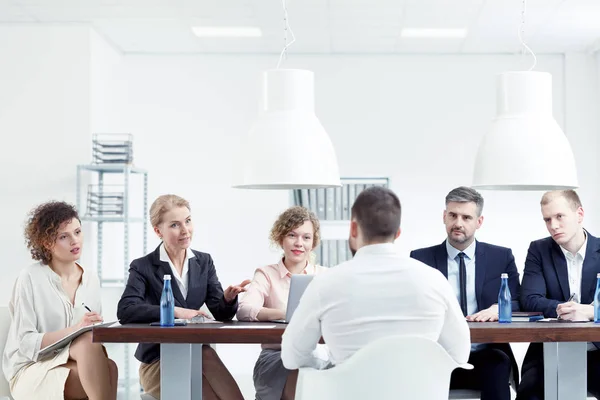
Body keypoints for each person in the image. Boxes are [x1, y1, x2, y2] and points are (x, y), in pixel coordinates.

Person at [280, 186, 470, 372]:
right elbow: (460, 354)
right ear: (398, 233)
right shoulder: (435, 281)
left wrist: (327, 357)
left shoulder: (324, 284)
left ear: (353, 228)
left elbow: (291, 357)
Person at [117, 194, 249, 400]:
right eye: (175, 225)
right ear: (158, 231)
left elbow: (220, 312)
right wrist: (176, 311)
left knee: (206, 354)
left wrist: (228, 298)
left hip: (196, 355)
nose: (185, 230)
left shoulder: (203, 262)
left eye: (187, 221)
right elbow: (126, 310)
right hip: (158, 360)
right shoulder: (143, 266)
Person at [410, 186, 520, 400]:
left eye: (466, 217)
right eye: (453, 215)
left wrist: (500, 308)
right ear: (444, 216)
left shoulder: (501, 257)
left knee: (498, 364)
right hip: (438, 355)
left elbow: (520, 301)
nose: (458, 223)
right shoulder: (420, 259)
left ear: (479, 222)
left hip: (486, 354)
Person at [2, 201, 118, 400]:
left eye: (78, 232)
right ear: (47, 242)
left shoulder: (91, 279)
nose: (75, 241)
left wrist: (97, 327)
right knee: (102, 363)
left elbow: (92, 335)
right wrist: (77, 328)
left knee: (109, 365)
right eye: (64, 236)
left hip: (72, 359)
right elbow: (26, 343)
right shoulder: (30, 278)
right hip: (31, 369)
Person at [237, 206, 328, 400]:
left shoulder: (324, 276)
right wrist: (284, 313)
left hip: (316, 354)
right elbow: (244, 310)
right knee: (298, 368)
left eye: (306, 237)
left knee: (313, 365)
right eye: (292, 235)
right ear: (280, 239)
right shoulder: (266, 274)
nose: (299, 243)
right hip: (275, 356)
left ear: (313, 243)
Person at [518, 190, 600, 399]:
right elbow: (530, 298)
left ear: (579, 214)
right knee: (529, 393)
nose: (553, 225)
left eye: (559, 217)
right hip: (548, 350)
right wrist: (562, 309)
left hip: (597, 351)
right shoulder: (539, 249)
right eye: (547, 219)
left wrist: (592, 311)